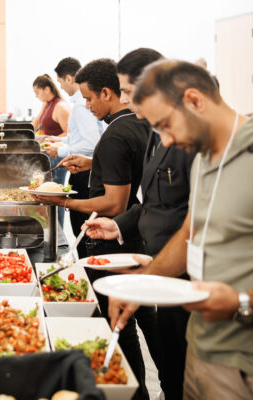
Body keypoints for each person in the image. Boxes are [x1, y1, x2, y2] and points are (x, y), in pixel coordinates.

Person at [109, 59, 253, 400]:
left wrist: (244, 302)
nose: (165, 141)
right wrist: (142, 283)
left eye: (166, 125)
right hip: (201, 353)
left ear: (195, 100)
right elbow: (189, 235)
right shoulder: (203, 159)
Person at [35, 59, 150, 400]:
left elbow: (113, 203)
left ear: (107, 92)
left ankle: (134, 392)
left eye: (88, 99)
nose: (85, 106)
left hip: (115, 241)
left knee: (121, 326)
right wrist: (92, 162)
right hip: (135, 237)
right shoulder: (137, 126)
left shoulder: (117, 132)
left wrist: (61, 202)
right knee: (145, 322)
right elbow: (123, 170)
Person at [85, 48, 196, 400]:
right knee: (171, 361)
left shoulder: (188, 139)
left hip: (183, 274)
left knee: (179, 365)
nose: (127, 102)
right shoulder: (152, 131)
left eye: (132, 93)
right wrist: (119, 225)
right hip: (159, 264)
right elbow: (151, 203)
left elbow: (191, 218)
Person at [47, 57, 104, 256]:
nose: (60, 87)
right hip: (83, 167)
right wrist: (60, 141)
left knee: (83, 231)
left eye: (61, 82)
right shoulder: (80, 104)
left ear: (69, 78)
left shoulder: (81, 106)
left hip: (85, 170)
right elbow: (81, 136)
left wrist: (61, 150)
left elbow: (91, 144)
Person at [32, 74, 71, 226]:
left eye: (37, 92)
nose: (36, 96)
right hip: (47, 154)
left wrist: (50, 139)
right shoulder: (46, 104)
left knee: (56, 197)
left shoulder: (60, 106)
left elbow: (68, 133)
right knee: (47, 197)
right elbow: (36, 122)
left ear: (47, 89)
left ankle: (58, 231)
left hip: (57, 156)